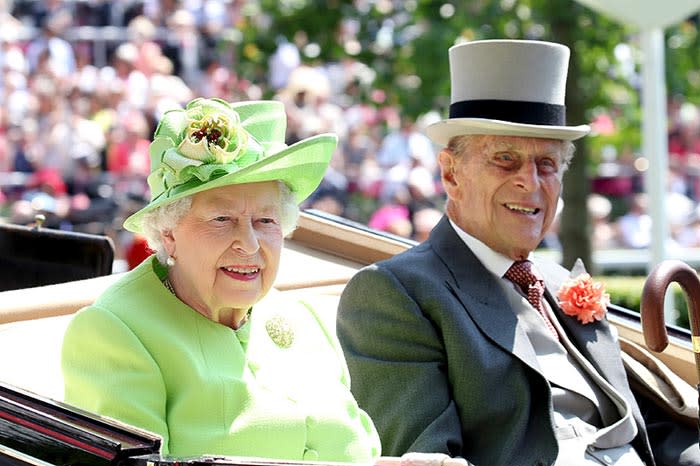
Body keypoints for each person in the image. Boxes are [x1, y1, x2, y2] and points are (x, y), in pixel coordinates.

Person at [337, 40, 699, 466]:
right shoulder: (396, 294)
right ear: (451, 174)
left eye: (546, 163)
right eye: (505, 160)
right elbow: (427, 458)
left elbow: (642, 427)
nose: (530, 181)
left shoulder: (560, 281)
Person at [60, 97, 381, 460]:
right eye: (221, 220)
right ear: (168, 234)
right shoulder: (114, 334)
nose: (249, 243)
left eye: (266, 221)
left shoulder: (304, 319)